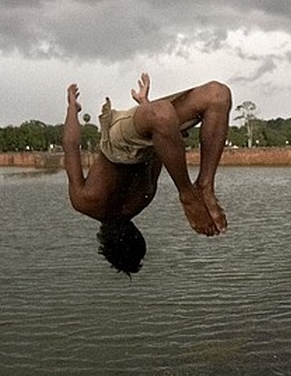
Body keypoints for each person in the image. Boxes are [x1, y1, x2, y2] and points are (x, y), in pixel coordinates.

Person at [63, 73, 231, 275]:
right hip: (152, 129)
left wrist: (72, 109)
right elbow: (159, 152)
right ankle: (204, 183)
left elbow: (71, 146)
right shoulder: (139, 200)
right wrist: (145, 104)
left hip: (118, 145)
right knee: (218, 95)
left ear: (137, 234)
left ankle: (191, 191)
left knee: (162, 113)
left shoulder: (88, 201)